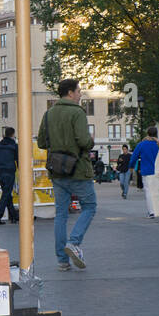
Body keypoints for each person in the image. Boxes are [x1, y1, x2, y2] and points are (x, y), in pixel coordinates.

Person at [38, 78, 97, 271]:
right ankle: (74, 242)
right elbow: (83, 141)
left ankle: (62, 261)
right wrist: (90, 141)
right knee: (89, 206)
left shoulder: (49, 114)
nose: (80, 94)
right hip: (78, 169)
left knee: (61, 214)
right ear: (70, 93)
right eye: (79, 91)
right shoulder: (77, 112)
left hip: (57, 170)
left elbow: (41, 142)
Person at [130, 126, 159, 218]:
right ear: (156, 134)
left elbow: (134, 157)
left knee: (148, 192)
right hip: (157, 171)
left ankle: (152, 212)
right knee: (158, 191)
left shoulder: (141, 144)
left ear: (148, 133)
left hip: (146, 171)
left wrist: (131, 166)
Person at [0, 127, 20, 225]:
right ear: (13, 135)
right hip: (10, 171)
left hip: (1, 172)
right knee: (6, 194)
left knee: (7, 194)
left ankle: (14, 216)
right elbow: (18, 159)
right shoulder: (14, 146)